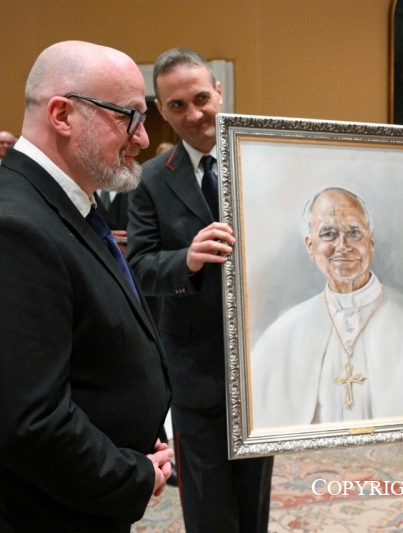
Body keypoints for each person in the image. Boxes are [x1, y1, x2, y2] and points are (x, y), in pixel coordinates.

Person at [0, 40, 174, 532]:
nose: (144, 138)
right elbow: (28, 421)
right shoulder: (6, 228)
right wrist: (130, 476)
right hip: (35, 514)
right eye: (129, 117)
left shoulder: (60, 205)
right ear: (62, 114)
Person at [128, 47, 273, 533]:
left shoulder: (263, 161)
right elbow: (140, 266)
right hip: (193, 366)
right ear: (160, 110)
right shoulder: (149, 178)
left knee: (254, 497)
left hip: (261, 363)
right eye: (176, 106)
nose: (192, 115)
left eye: (200, 98)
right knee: (207, 501)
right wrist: (185, 261)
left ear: (220, 93)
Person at [251, 187, 403, 428]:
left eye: (354, 232)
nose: (342, 246)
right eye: (329, 233)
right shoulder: (281, 336)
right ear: (310, 246)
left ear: (370, 242)